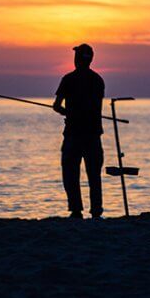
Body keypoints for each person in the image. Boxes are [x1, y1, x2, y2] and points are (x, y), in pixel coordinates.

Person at [52, 43, 105, 219]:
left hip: (74, 134)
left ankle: (76, 210)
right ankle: (96, 211)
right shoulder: (98, 80)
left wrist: (67, 111)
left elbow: (57, 106)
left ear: (77, 59)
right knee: (94, 175)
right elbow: (95, 106)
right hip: (93, 134)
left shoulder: (68, 79)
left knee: (70, 173)